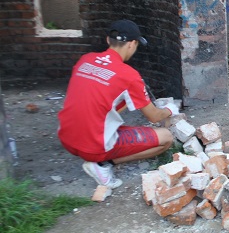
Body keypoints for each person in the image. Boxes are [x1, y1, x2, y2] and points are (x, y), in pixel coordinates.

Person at [58, 20, 178, 188]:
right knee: (166, 138)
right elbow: (154, 116)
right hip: (93, 147)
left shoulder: (85, 60)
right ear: (132, 44)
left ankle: (99, 152)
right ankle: (102, 165)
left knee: (112, 100)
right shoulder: (128, 75)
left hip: (67, 138)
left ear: (108, 40)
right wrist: (169, 110)